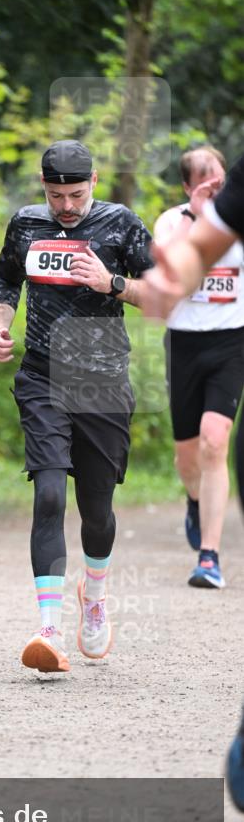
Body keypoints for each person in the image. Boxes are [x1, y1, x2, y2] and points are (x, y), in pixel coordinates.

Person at [0, 140, 152, 674]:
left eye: (76, 195)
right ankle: (48, 628)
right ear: (42, 185)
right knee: (51, 494)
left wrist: (113, 283)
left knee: (98, 513)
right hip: (42, 376)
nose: (65, 206)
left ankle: (95, 594)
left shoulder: (121, 224)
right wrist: (0, 325)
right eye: (56, 194)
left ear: (95, 182)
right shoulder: (27, 225)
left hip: (102, 383)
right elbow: (6, 280)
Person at [153, 147, 244, 589]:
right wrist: (196, 216)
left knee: (214, 441)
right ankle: (195, 500)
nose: (214, 188)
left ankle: (209, 556)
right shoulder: (172, 222)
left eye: (220, 180)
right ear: (187, 187)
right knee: (188, 455)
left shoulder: (237, 217)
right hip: (185, 342)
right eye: (204, 182)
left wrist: (222, 217)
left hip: (232, 340)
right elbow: (167, 272)